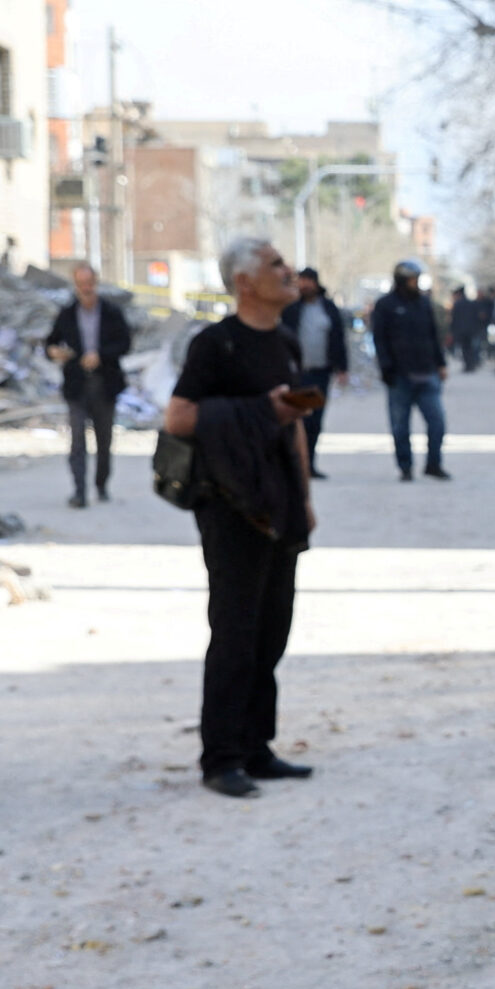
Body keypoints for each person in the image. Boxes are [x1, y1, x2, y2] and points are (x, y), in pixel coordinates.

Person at [162, 237, 318, 800]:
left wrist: (303, 496)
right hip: (229, 504)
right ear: (245, 281)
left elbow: (293, 424)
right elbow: (178, 418)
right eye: (277, 264)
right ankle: (221, 756)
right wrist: (260, 411)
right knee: (235, 630)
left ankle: (257, 746)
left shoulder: (286, 342)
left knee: (273, 626)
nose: (289, 271)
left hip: (278, 502)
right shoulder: (215, 345)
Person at [43, 262, 132, 508]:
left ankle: (101, 485)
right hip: (77, 386)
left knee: (104, 441)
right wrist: (54, 352)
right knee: (78, 442)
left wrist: (100, 355)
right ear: (75, 285)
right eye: (81, 284)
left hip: (105, 385)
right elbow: (50, 344)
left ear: (96, 283)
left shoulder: (112, 313)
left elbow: (125, 343)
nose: (86, 289)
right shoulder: (67, 314)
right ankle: (79, 491)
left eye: (89, 284)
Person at [369, 260, 450, 482]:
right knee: (400, 426)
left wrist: (440, 363)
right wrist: (386, 368)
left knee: (437, 422)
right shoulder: (385, 305)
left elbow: (433, 336)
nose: (416, 283)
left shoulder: (424, 304)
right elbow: (380, 340)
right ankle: (405, 467)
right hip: (400, 377)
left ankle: (434, 464)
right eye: (413, 279)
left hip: (427, 374)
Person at [281, 267, 351, 479]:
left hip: (321, 372)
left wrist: (342, 368)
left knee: (315, 420)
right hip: (297, 374)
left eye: (308, 281)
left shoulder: (328, 308)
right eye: (301, 281)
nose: (305, 285)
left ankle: (309, 463)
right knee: (296, 419)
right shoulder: (291, 309)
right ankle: (294, 465)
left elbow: (338, 338)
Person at [449, 282, 484, 373]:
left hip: (462, 330)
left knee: (465, 348)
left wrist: (453, 330)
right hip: (471, 330)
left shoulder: (457, 304)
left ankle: (468, 365)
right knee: (469, 348)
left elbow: (454, 318)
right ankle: (471, 364)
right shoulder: (471, 303)